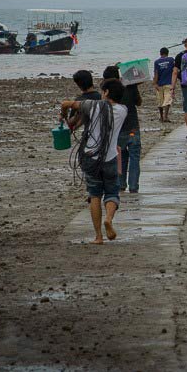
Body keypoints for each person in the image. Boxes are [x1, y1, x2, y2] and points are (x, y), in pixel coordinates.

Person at [59, 78, 127, 245]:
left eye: (103, 91)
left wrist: (63, 114)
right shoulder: (123, 110)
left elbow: (66, 103)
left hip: (90, 157)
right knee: (112, 192)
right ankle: (109, 219)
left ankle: (98, 236)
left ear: (107, 92)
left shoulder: (93, 105)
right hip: (110, 158)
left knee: (94, 194)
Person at [104, 65, 142, 194]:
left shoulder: (107, 92)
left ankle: (121, 184)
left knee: (121, 157)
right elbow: (139, 102)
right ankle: (133, 186)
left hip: (117, 129)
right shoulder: (130, 85)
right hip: (132, 127)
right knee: (134, 158)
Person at [153, 48, 175, 123]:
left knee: (160, 101)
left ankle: (161, 117)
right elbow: (175, 70)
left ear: (160, 53)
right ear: (167, 53)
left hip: (159, 84)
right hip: (168, 83)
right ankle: (165, 116)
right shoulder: (171, 60)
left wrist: (155, 83)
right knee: (167, 100)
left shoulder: (156, 62)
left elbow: (156, 74)